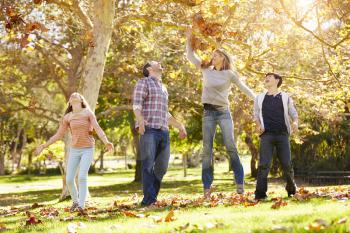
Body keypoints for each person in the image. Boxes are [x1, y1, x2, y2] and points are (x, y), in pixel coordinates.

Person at [185, 28, 256, 198]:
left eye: (216, 55)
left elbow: (244, 88)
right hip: (208, 113)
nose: (212, 57)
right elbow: (190, 56)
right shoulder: (206, 70)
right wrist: (189, 39)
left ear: (222, 58)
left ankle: (240, 183)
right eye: (213, 55)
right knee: (207, 149)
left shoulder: (229, 74)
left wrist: (258, 99)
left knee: (231, 146)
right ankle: (207, 187)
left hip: (224, 113)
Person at [36, 92, 114, 212]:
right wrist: (44, 145)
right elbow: (59, 134)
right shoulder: (68, 117)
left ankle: (81, 206)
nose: (73, 95)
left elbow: (97, 128)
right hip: (75, 150)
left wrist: (106, 141)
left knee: (82, 177)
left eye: (76, 95)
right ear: (70, 102)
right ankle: (75, 202)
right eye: (72, 95)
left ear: (81, 100)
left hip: (88, 149)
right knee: (69, 179)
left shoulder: (88, 113)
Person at [133, 60, 187, 207]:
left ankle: (149, 199)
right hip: (149, 129)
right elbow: (137, 105)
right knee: (148, 165)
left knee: (162, 167)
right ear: (149, 68)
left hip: (163, 131)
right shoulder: (143, 82)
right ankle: (150, 200)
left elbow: (165, 113)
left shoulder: (163, 87)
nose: (160, 64)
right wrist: (140, 120)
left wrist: (179, 126)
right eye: (156, 63)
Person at [253, 73, 298, 200]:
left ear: (277, 80)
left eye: (269, 77)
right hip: (266, 135)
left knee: (287, 164)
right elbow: (256, 114)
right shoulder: (259, 97)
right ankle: (260, 194)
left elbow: (293, 112)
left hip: (282, 134)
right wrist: (258, 125)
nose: (266, 78)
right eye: (265, 77)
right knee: (264, 165)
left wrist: (295, 122)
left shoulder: (285, 97)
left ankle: (291, 190)